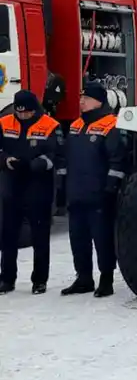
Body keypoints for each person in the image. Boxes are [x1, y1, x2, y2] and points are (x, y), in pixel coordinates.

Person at [57, 81, 128, 298]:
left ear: (98, 101)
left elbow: (118, 161)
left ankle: (106, 279)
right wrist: (61, 187)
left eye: (85, 98)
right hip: (76, 194)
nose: (81, 102)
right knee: (78, 239)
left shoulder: (111, 125)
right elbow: (65, 157)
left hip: (99, 196)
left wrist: (110, 189)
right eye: (80, 98)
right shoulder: (76, 126)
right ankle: (84, 278)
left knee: (102, 239)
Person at [0, 90, 64, 294]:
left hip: (38, 187)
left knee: (39, 237)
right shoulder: (4, 122)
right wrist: (5, 160)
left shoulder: (50, 125)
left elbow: (54, 155)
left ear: (34, 109)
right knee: (8, 236)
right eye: (19, 113)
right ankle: (7, 279)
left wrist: (32, 165)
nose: (23, 116)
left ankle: (39, 280)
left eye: (27, 113)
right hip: (12, 186)